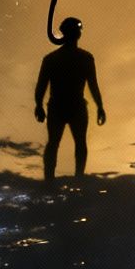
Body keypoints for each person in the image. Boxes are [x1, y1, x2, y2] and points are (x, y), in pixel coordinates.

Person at [34, 17, 105, 181]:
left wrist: (100, 106)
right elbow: (41, 85)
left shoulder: (55, 59)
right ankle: (58, 179)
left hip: (69, 107)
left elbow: (93, 85)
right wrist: (38, 105)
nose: (78, 32)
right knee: (61, 144)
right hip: (65, 107)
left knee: (63, 144)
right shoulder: (82, 58)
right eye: (78, 29)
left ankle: (56, 180)